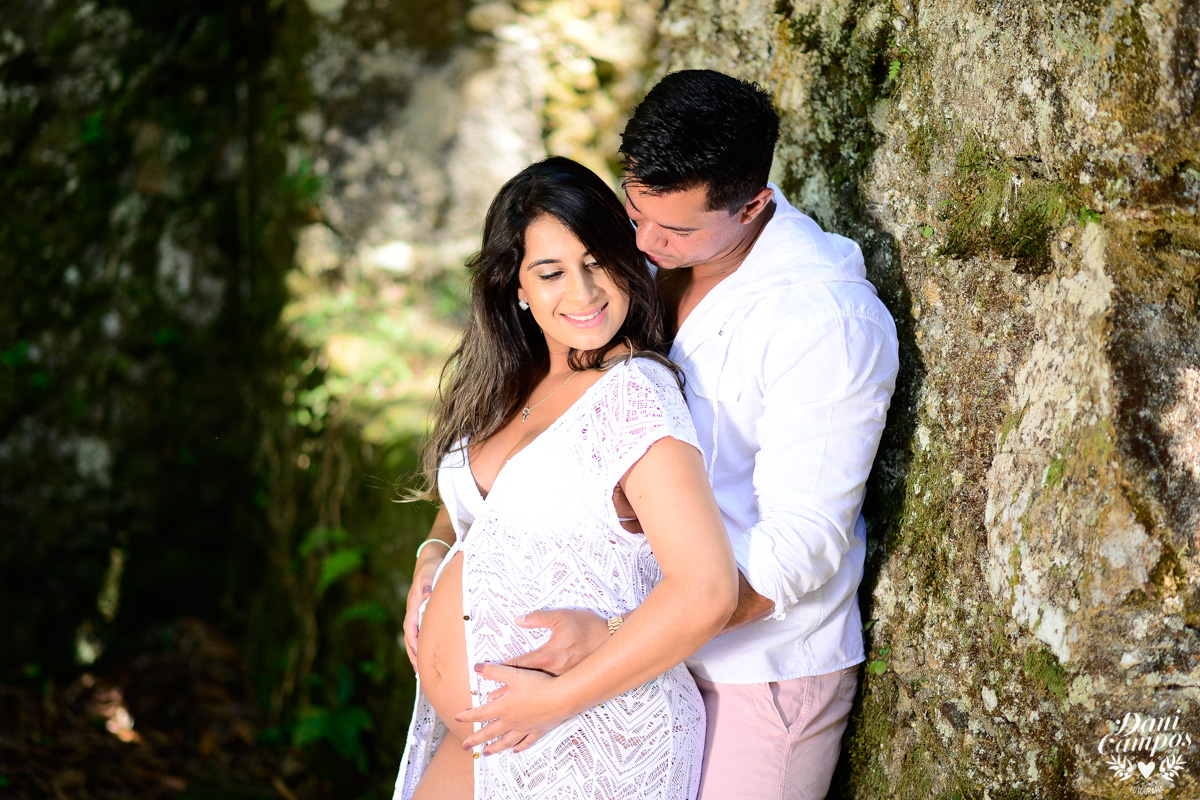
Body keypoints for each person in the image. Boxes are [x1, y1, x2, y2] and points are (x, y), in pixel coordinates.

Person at [419, 70, 901, 799]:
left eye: (673, 230)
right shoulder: (627, 270)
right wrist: (437, 550)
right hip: (609, 674)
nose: (642, 242)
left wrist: (619, 633)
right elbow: (523, 453)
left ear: (752, 206)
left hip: (752, 671)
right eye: (634, 210)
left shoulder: (825, 321)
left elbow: (800, 545)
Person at [393, 156, 739, 800]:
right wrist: (434, 550)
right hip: (500, 732)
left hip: (592, 728)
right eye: (551, 272)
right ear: (517, 286)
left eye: (597, 261)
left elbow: (708, 589)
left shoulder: (632, 392)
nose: (583, 293)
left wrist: (555, 701)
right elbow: (479, 504)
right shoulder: (508, 382)